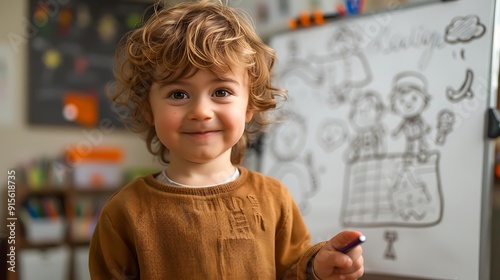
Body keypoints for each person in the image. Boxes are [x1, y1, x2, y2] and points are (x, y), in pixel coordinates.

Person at [88, 1, 364, 279]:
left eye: (221, 92)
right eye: (178, 94)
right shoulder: (123, 212)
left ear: (249, 106)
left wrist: (318, 269)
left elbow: (294, 272)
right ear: (149, 108)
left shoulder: (274, 199)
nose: (200, 112)